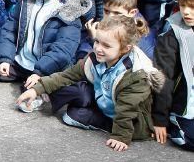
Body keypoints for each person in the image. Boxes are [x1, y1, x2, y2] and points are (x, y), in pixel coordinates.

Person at [17, 16, 160, 153]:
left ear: (125, 48)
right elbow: (68, 75)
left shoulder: (136, 74)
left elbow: (127, 109)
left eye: (106, 45)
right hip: (105, 101)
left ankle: (109, 125)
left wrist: (121, 137)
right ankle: (43, 96)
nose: (98, 48)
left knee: (72, 117)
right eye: (97, 41)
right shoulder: (95, 57)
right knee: (73, 104)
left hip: (131, 123)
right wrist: (37, 89)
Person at [153, 0, 194, 149]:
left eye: (192, 7)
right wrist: (159, 119)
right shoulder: (172, 35)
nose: (186, 12)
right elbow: (164, 78)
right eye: (183, 5)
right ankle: (175, 127)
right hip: (183, 106)